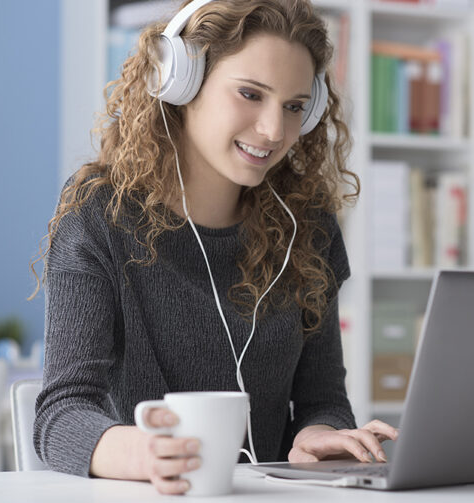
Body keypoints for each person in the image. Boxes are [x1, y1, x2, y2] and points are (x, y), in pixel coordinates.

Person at [30, 0, 397, 495]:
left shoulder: (307, 228)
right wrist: (150, 454)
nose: (274, 131)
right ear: (180, 80)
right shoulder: (100, 215)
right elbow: (62, 414)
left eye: (294, 106)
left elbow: (322, 399)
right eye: (250, 93)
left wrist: (320, 436)